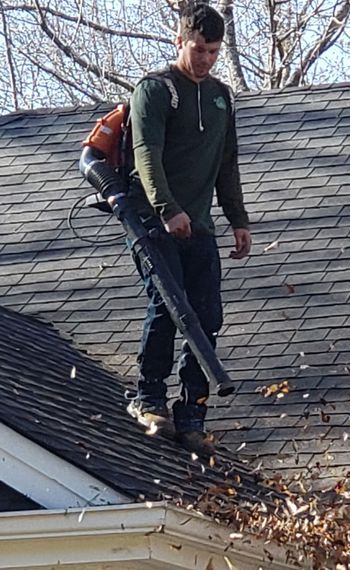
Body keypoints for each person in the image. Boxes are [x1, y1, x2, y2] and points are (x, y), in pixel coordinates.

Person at [113, 1, 251, 456]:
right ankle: (148, 399)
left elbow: (226, 163)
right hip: (152, 220)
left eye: (214, 51)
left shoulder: (220, 96)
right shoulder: (154, 90)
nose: (207, 59)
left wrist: (237, 219)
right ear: (180, 41)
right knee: (170, 305)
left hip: (200, 225)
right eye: (199, 49)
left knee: (207, 316)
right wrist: (168, 209)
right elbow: (146, 156)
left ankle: (192, 414)